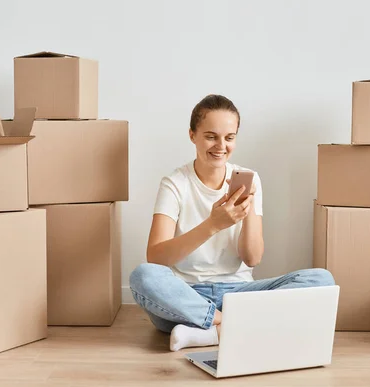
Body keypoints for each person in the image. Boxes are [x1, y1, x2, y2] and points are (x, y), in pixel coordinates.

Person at [129, 94, 335, 351]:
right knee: (143, 277)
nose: (220, 146)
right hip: (186, 296)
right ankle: (230, 324)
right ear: (192, 135)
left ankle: (209, 333)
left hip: (238, 294)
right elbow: (156, 258)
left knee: (321, 279)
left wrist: (246, 212)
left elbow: (252, 259)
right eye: (211, 136)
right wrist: (213, 225)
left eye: (229, 137)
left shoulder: (251, 180)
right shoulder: (175, 184)